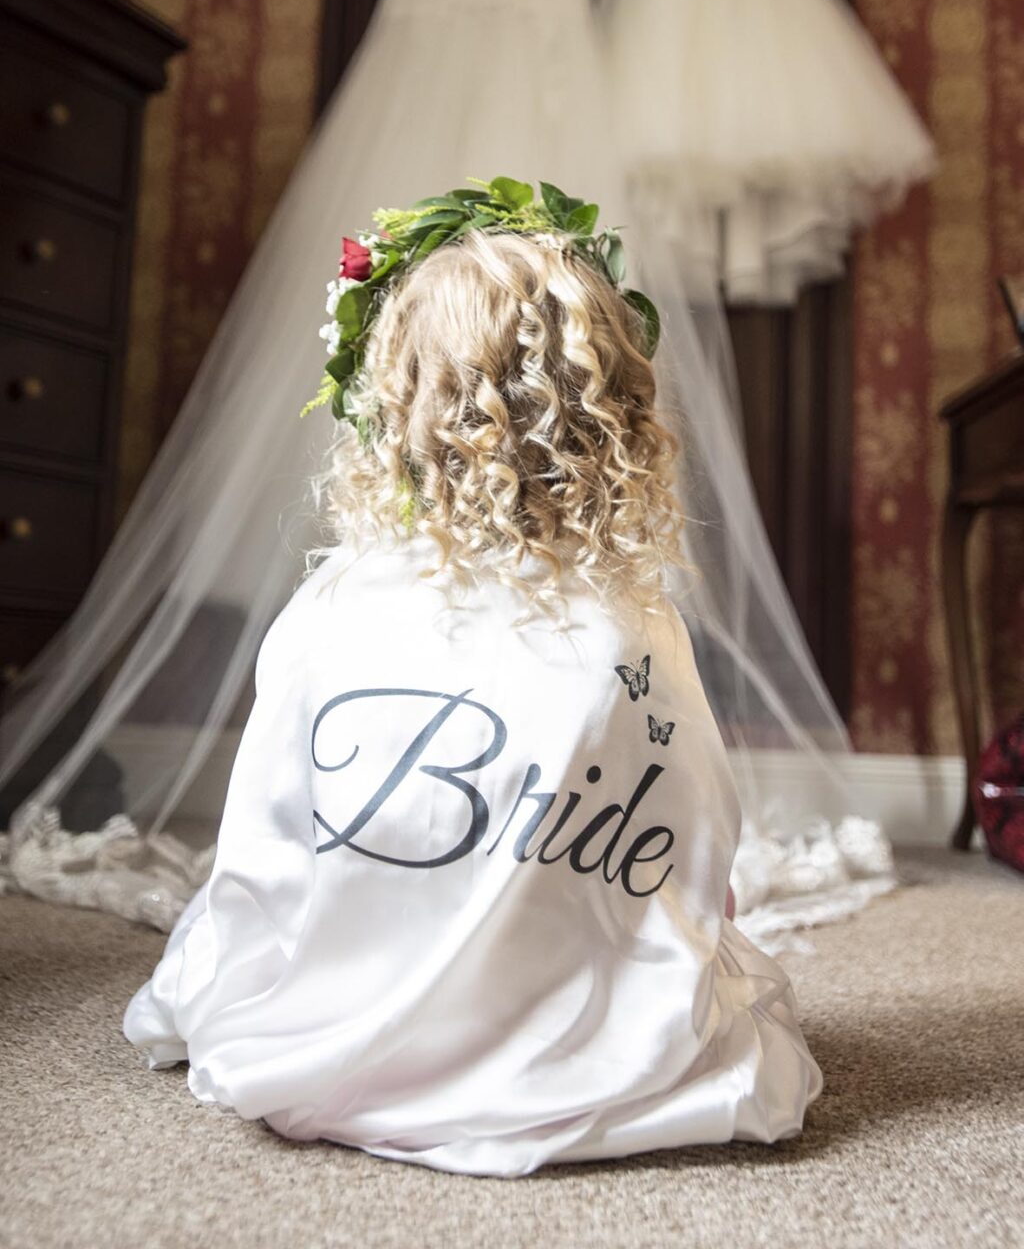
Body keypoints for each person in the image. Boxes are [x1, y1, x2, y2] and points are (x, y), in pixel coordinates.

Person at [124, 180, 822, 1177]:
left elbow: (266, 857)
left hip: (338, 1014)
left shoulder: (334, 609)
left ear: (398, 399)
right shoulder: (627, 629)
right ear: (607, 411)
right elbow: (698, 841)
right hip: (572, 1027)